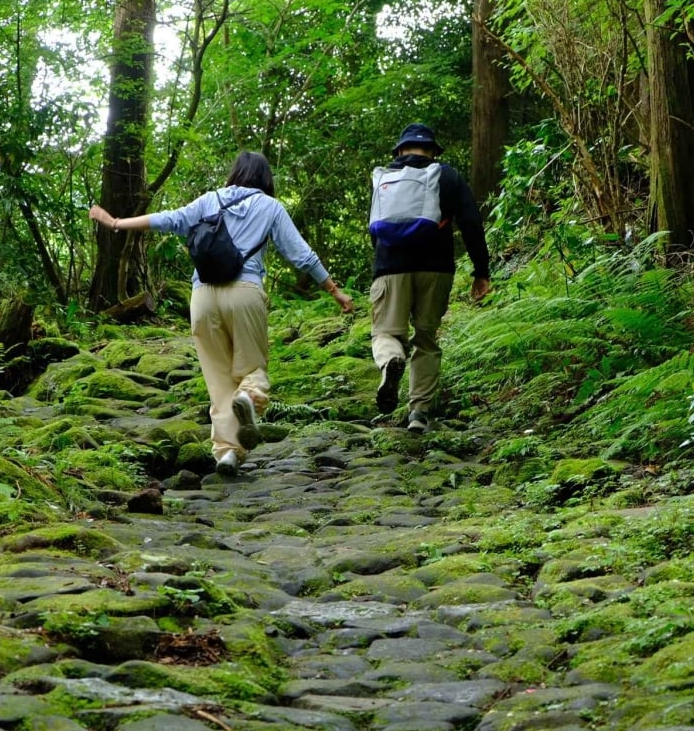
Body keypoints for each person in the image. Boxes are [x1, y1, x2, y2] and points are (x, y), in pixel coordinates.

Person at [90, 152, 354, 478]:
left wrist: (116, 223)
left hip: (202, 298)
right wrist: (334, 290)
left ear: (236, 173)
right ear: (265, 179)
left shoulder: (208, 200)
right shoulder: (271, 207)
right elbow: (302, 255)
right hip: (244, 293)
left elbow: (168, 219)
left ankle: (227, 452)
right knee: (252, 368)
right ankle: (248, 397)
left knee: (218, 381)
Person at [367, 122, 491, 434]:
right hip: (436, 269)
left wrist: (382, 264)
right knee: (426, 338)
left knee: (385, 333)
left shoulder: (385, 176)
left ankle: (391, 360)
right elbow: (471, 222)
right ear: (433, 151)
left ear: (399, 151)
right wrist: (481, 271)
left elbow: (375, 228)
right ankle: (418, 412)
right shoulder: (446, 175)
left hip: (390, 266)